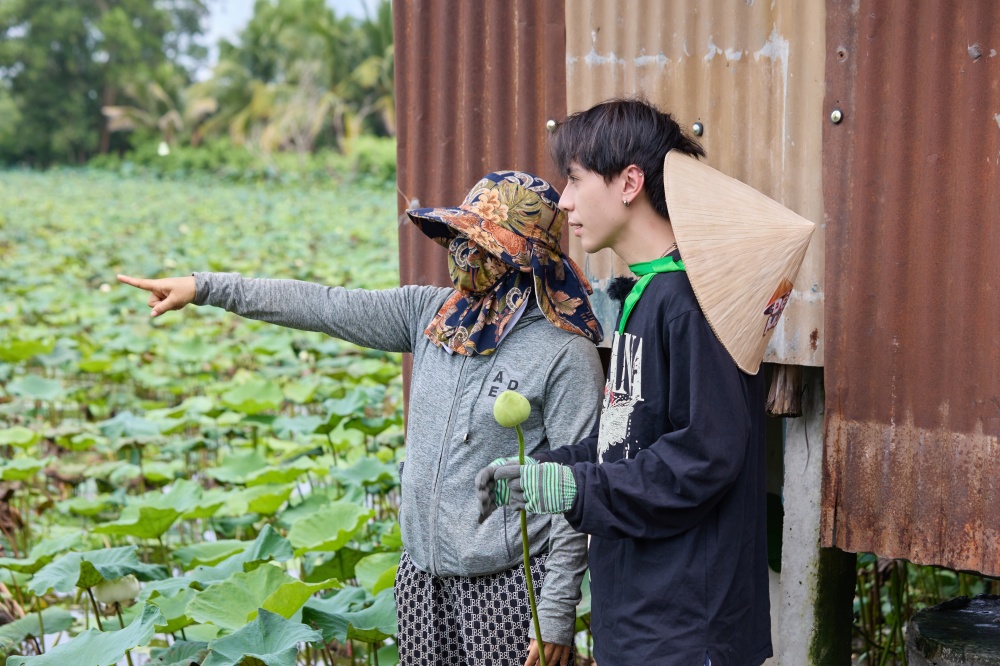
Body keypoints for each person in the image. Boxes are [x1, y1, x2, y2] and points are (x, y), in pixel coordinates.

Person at [118, 170, 604, 666]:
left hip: (508, 591)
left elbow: (573, 494)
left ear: (523, 256)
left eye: (481, 241)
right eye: (461, 237)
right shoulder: (431, 315)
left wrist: (556, 614)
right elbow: (324, 306)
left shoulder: (564, 353)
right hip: (420, 578)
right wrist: (204, 288)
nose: (464, 251)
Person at [478, 100, 774, 665]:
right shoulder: (647, 295)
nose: (563, 202)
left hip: (687, 632)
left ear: (630, 181)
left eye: (574, 179)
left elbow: (705, 455)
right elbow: (630, 437)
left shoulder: (689, 303)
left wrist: (578, 491)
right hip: (641, 620)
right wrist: (553, 468)